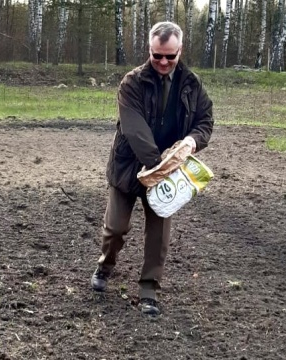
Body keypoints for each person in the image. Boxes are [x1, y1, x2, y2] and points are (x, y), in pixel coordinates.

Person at [91, 21, 214, 315]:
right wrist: (159, 165)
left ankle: (148, 290)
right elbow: (135, 130)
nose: (162, 62)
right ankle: (105, 267)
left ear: (180, 51)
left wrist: (192, 143)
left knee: (158, 236)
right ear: (149, 49)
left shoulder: (192, 84)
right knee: (115, 228)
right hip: (129, 166)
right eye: (157, 55)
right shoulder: (131, 83)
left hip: (168, 171)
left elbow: (205, 122)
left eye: (169, 56)